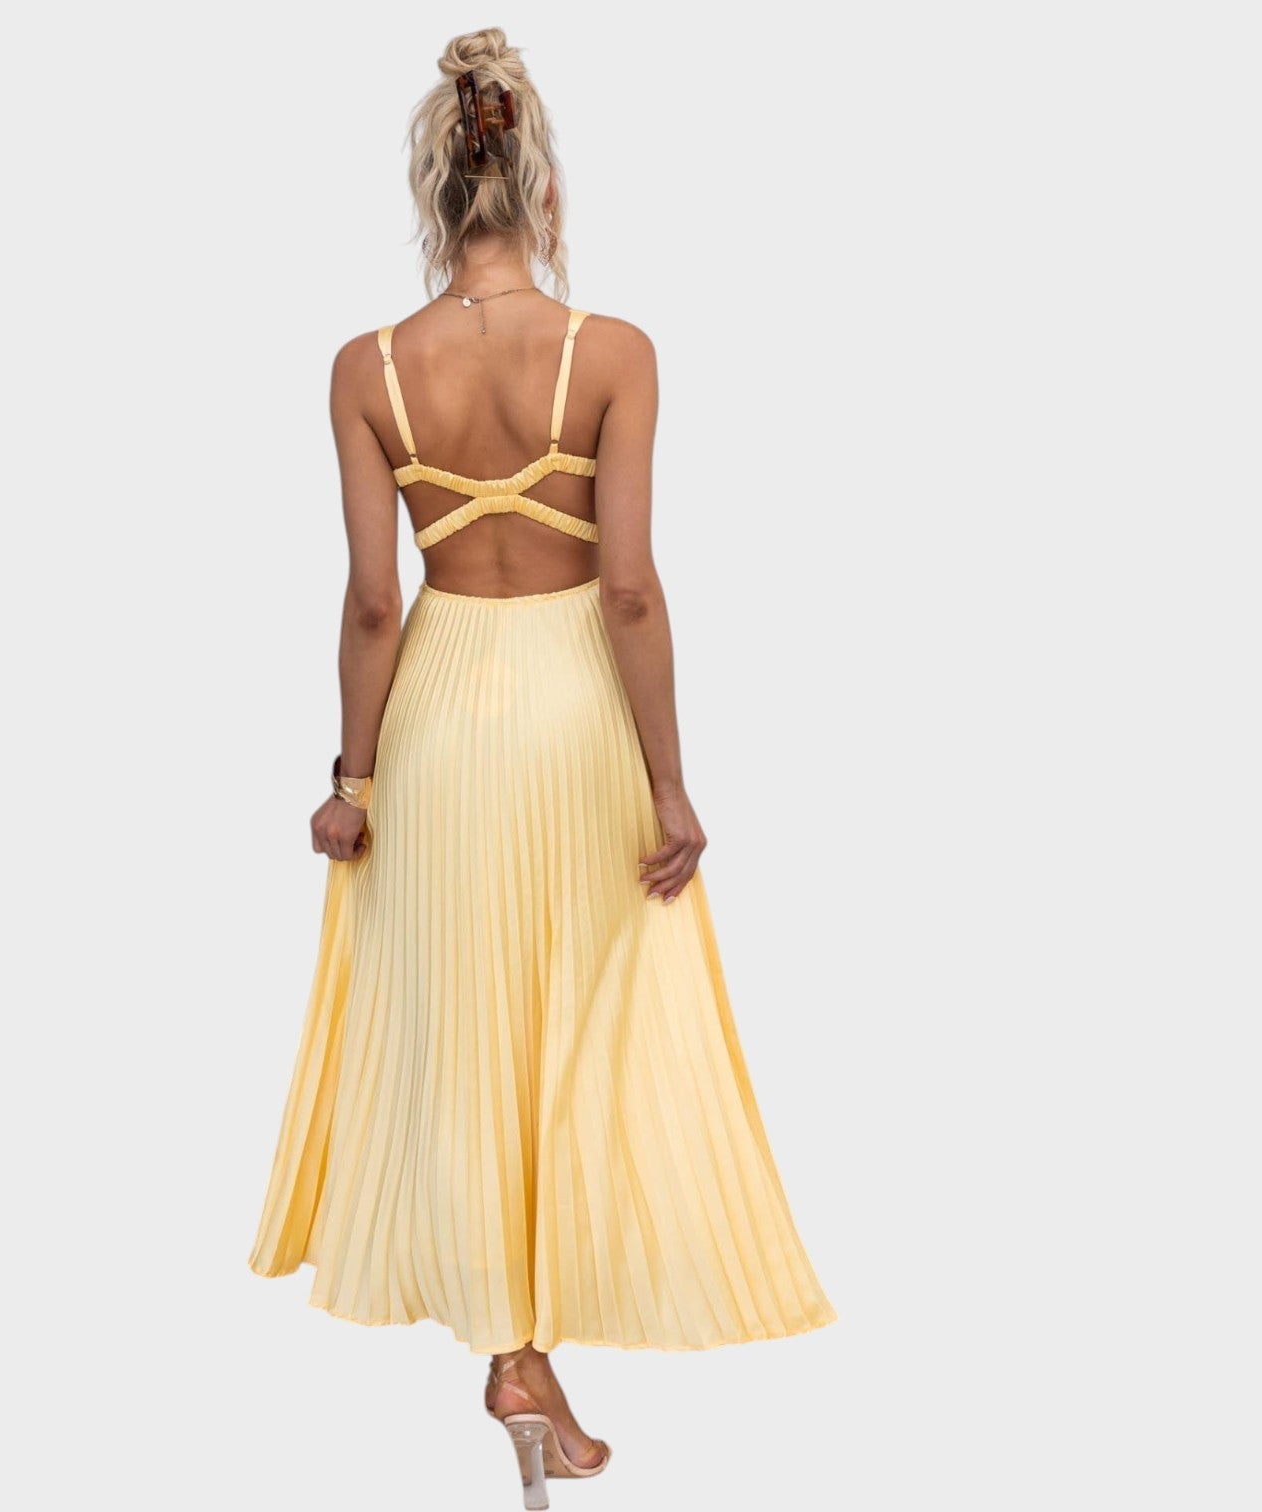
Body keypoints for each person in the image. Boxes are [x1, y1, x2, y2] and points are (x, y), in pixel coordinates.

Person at [248, 27, 836, 1507]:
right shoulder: (612, 353)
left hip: (443, 713)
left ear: (433, 192)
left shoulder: (369, 368)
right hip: (577, 707)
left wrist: (354, 784)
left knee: (468, 1021)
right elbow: (628, 588)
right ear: (545, 186)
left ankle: (517, 1358)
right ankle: (527, 1358)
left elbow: (373, 603)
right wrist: (672, 783)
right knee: (583, 1013)